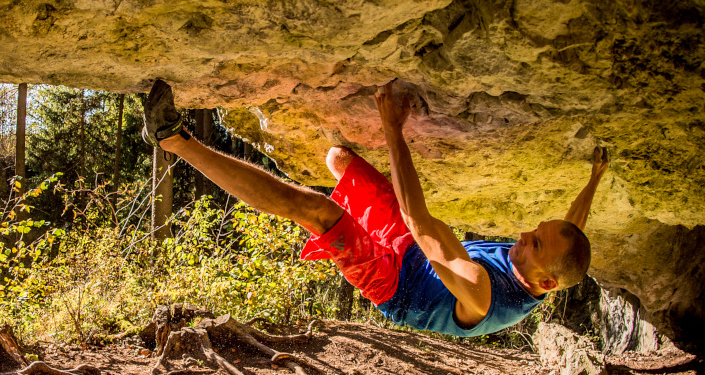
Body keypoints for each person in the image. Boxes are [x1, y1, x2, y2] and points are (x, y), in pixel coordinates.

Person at [141, 78, 610, 337]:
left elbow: (419, 221)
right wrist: (593, 179)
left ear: (545, 282)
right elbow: (573, 229)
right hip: (410, 250)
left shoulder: (483, 295)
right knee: (339, 161)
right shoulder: (551, 265)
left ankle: (175, 141)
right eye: (535, 231)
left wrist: (393, 127)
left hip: (395, 283)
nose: (523, 236)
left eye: (533, 244)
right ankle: (287, 192)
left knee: (316, 210)